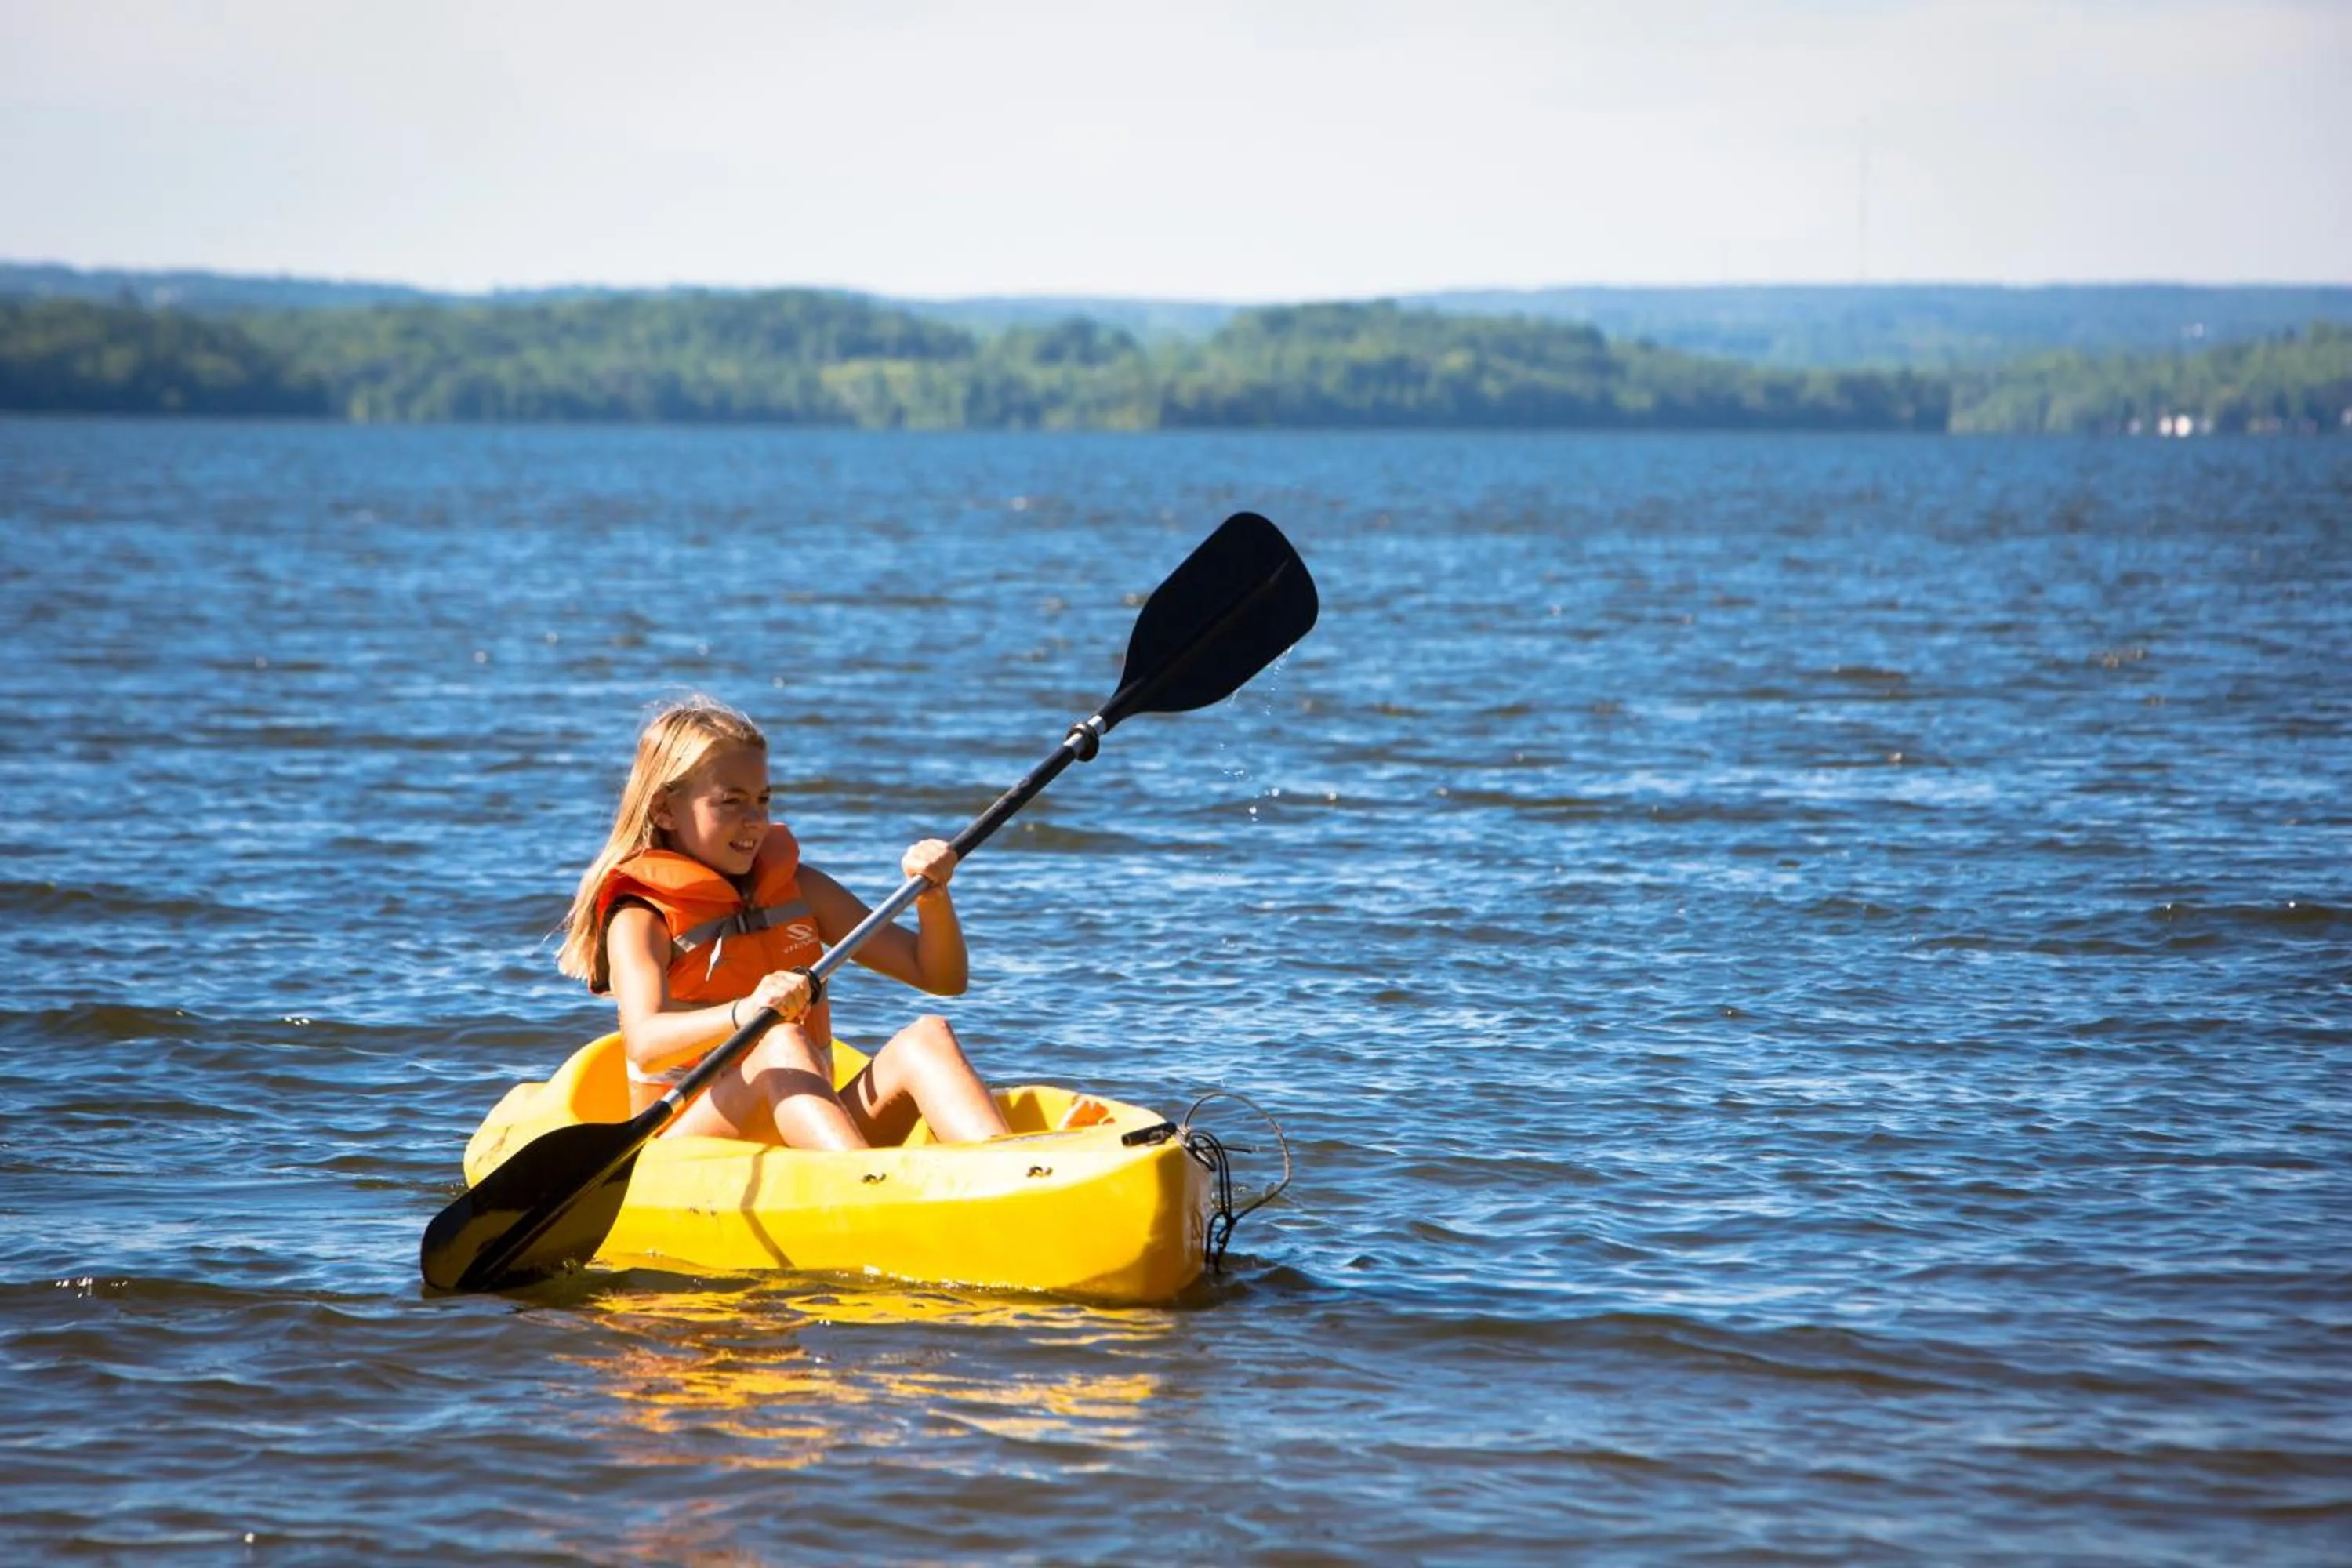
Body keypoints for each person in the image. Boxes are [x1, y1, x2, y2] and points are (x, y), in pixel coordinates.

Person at [554, 695, 1011, 1149]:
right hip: (690, 1148)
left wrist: (933, 898)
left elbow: (941, 977)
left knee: (927, 1038)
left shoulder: (800, 889)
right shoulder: (640, 917)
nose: (755, 820)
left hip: (806, 1130)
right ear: (665, 811)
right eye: (731, 802)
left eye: (763, 800)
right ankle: (857, 1182)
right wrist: (747, 1010)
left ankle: (1009, 1169)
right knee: (781, 1042)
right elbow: (645, 1042)